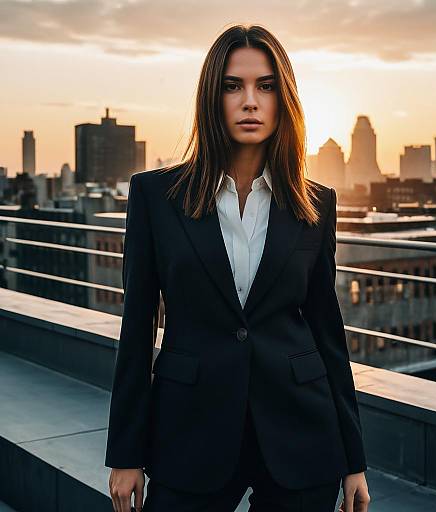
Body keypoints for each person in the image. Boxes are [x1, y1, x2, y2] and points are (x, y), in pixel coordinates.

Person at [105, 23, 371, 512]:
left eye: (265, 86)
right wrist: (125, 454)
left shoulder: (315, 204)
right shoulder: (154, 198)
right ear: (214, 96)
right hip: (190, 434)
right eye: (234, 86)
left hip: (300, 437)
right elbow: (136, 329)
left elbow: (327, 332)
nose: (250, 101)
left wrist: (354, 458)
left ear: (282, 99)